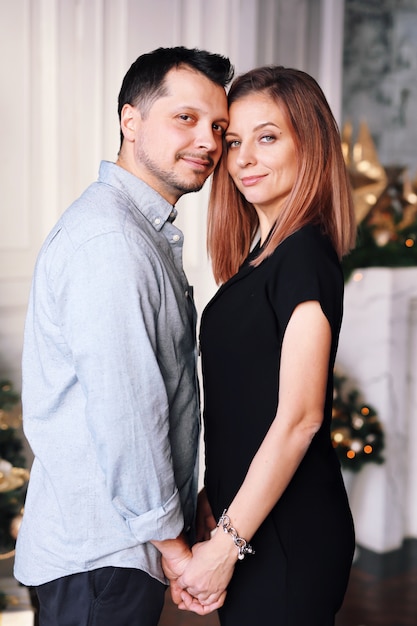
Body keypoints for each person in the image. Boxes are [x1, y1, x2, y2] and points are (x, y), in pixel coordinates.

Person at [14, 46, 233, 626]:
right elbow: (128, 418)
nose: (209, 141)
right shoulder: (111, 243)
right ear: (129, 121)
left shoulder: (133, 228)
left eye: (217, 125)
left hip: (107, 552)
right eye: (185, 118)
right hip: (102, 558)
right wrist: (177, 552)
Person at [175, 65, 357, 625]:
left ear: (311, 144)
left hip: (285, 535)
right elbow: (247, 398)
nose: (244, 157)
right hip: (252, 521)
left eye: (268, 136)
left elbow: (300, 419)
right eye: (234, 142)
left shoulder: (303, 255)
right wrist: (214, 493)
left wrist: (226, 544)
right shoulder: (264, 255)